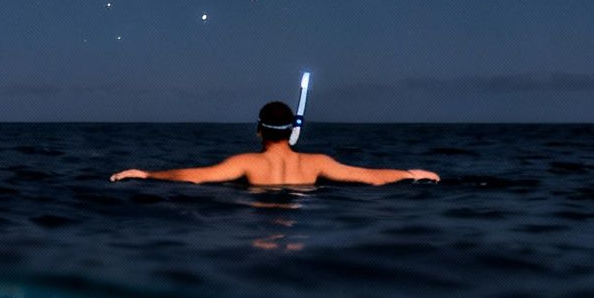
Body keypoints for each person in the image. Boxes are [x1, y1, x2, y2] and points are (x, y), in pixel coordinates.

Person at [110, 101, 439, 186]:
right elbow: (369, 176)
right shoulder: (317, 163)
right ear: (292, 130)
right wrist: (410, 173)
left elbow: (195, 176)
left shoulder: (246, 163)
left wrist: (147, 175)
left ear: (259, 130)